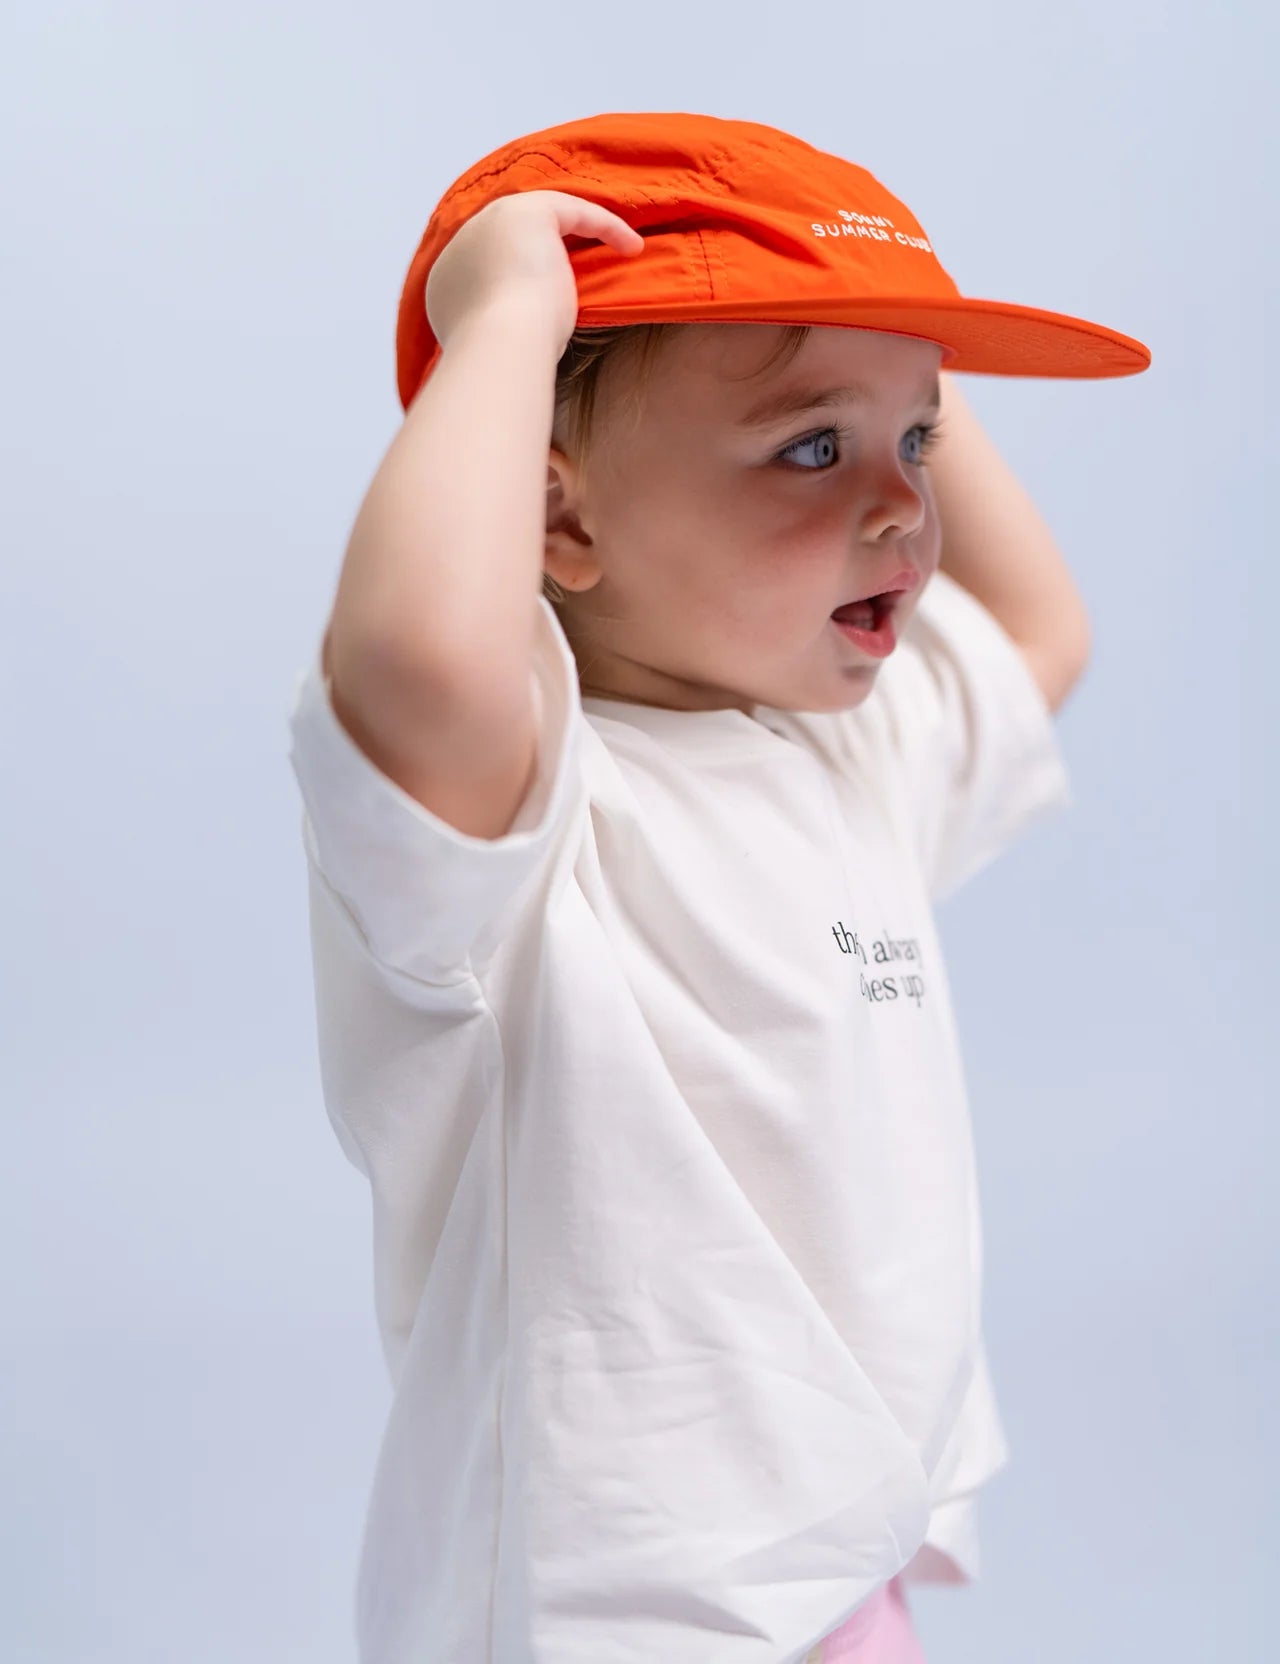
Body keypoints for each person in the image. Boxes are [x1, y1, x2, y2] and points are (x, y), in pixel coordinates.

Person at [285, 111, 1151, 1664]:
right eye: (810, 448)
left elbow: (1039, 638)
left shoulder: (845, 750)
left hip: (837, 1560)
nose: (903, 509)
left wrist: (889, 345)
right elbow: (417, 656)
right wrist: (506, 319)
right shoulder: (524, 816)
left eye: (922, 447)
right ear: (556, 515)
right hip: (621, 1604)